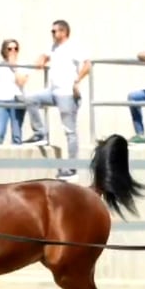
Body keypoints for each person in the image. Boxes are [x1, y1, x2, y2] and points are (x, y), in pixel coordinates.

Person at [22, 19, 91, 182]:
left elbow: (88, 65)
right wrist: (41, 59)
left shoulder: (74, 47)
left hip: (67, 93)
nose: (52, 34)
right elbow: (43, 58)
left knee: (69, 131)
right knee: (31, 99)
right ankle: (40, 133)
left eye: (54, 31)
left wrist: (77, 81)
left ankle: (72, 168)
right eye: (51, 31)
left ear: (63, 32)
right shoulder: (54, 47)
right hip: (53, 91)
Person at [0, 38, 30, 145]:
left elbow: (21, 82)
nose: (13, 51)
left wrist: (14, 68)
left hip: (17, 100)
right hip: (1, 100)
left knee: (16, 134)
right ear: (4, 50)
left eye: (16, 48)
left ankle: (17, 160)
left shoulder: (23, 65)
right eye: (10, 48)